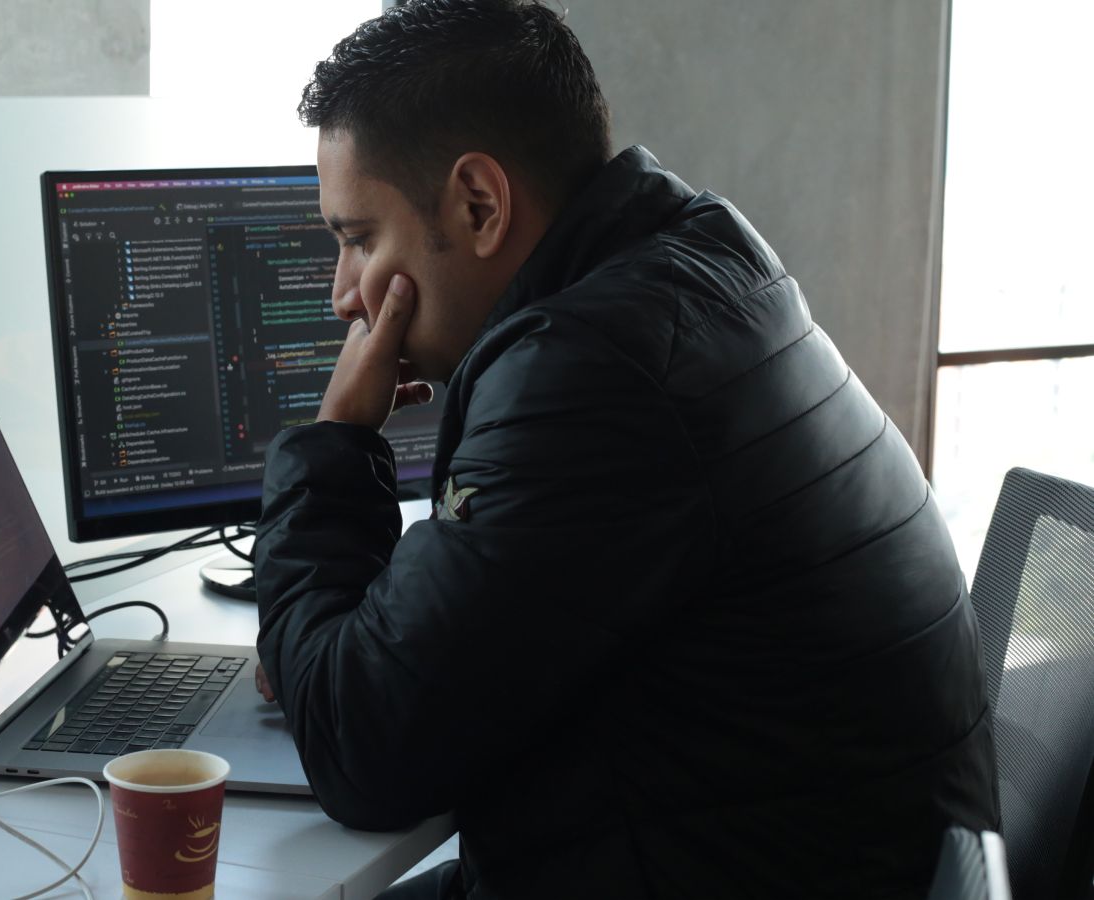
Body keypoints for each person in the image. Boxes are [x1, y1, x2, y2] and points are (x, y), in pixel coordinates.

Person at [250, 1, 998, 898]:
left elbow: (360, 753)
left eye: (359, 239)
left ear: (480, 204)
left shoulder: (590, 377)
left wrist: (336, 445)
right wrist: (325, 640)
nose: (343, 295)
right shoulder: (699, 261)